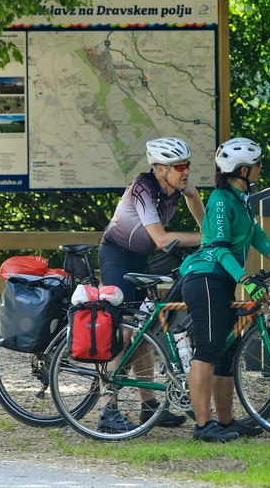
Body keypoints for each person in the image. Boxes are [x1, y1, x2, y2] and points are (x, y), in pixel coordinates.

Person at [179, 137, 270, 442]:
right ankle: (202, 426)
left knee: (226, 355)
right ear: (244, 170)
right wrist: (245, 279)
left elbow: (257, 235)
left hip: (221, 280)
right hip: (206, 277)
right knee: (207, 352)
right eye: (257, 164)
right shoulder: (220, 201)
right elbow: (220, 249)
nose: (261, 168)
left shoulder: (240, 199)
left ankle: (224, 421)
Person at [97, 136, 205, 432]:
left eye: (188, 165)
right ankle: (107, 410)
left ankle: (149, 407)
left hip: (139, 260)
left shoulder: (174, 188)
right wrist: (209, 241)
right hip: (117, 256)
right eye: (179, 166)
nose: (185, 171)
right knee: (125, 330)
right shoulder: (143, 187)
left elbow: (203, 222)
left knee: (144, 331)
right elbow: (161, 240)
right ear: (160, 170)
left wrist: (193, 197)